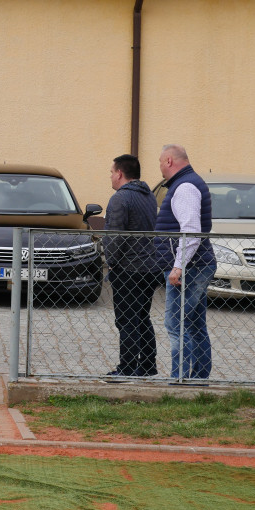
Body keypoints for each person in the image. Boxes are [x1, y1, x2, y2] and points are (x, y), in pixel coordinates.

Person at [156, 144, 215, 383]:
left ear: (169, 161)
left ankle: (179, 379)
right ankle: (198, 378)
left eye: (160, 161)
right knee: (194, 323)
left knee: (176, 323)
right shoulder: (187, 182)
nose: (159, 166)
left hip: (190, 268)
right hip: (196, 265)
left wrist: (178, 266)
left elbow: (190, 231)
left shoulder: (185, 186)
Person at [104, 155, 162, 378]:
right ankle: (147, 365)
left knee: (127, 320)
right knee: (141, 317)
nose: (110, 176)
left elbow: (114, 236)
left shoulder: (120, 199)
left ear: (119, 173)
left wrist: (112, 262)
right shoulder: (148, 196)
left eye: (111, 172)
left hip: (128, 268)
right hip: (150, 266)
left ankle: (127, 368)